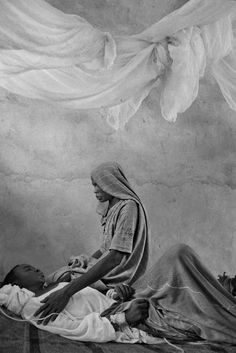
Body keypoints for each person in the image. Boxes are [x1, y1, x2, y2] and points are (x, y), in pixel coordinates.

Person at [1, 244, 236, 344]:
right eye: (26, 269)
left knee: (178, 259)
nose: (35, 268)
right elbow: (77, 328)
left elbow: (92, 298)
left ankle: (222, 295)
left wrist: (115, 293)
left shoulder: (58, 282)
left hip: (124, 301)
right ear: (16, 285)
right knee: (178, 259)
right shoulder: (34, 306)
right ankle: (224, 301)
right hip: (130, 317)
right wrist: (122, 318)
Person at [34, 162, 149, 324]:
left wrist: (67, 292)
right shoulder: (112, 207)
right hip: (107, 269)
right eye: (93, 185)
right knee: (61, 275)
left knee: (66, 280)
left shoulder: (128, 206)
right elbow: (105, 249)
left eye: (99, 185)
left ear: (111, 183)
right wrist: (87, 260)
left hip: (118, 275)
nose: (95, 190)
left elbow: (115, 257)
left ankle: (106, 304)